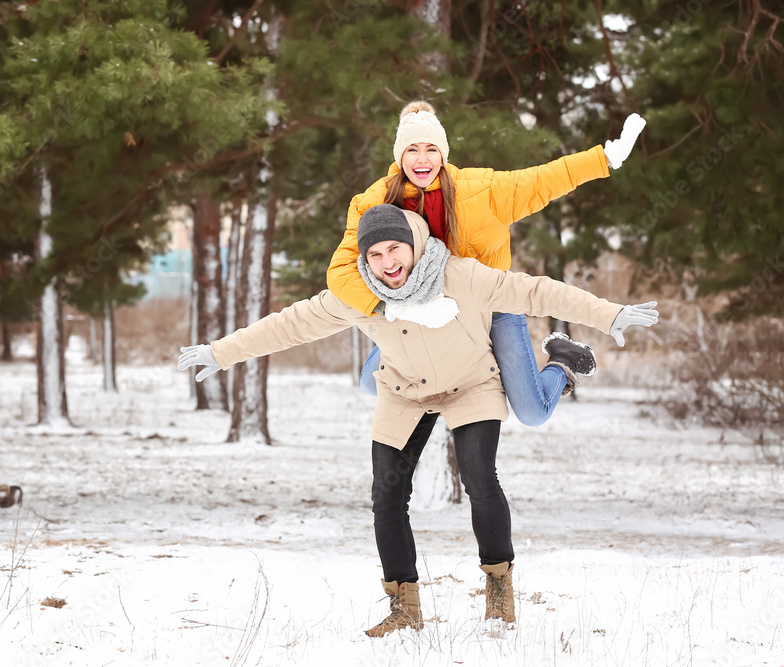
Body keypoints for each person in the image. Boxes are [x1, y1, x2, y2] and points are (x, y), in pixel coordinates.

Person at [178, 204, 658, 635]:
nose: (388, 262)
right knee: (386, 494)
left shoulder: (460, 275)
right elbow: (290, 324)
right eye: (375, 254)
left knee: (478, 478)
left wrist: (608, 313)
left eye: (395, 248)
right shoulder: (356, 294)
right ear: (363, 260)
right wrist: (222, 352)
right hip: (404, 390)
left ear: (413, 244)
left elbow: (535, 291)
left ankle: (498, 593)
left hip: (471, 383)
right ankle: (404, 608)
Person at [327, 101, 648, 420]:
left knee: (533, 413)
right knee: (372, 383)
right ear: (399, 156)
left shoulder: (482, 190)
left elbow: (542, 180)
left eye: (431, 149)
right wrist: (390, 308)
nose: (422, 160)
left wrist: (602, 159)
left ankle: (563, 360)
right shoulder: (375, 202)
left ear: (443, 153)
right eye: (412, 150)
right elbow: (341, 271)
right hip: (419, 312)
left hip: (491, 307)